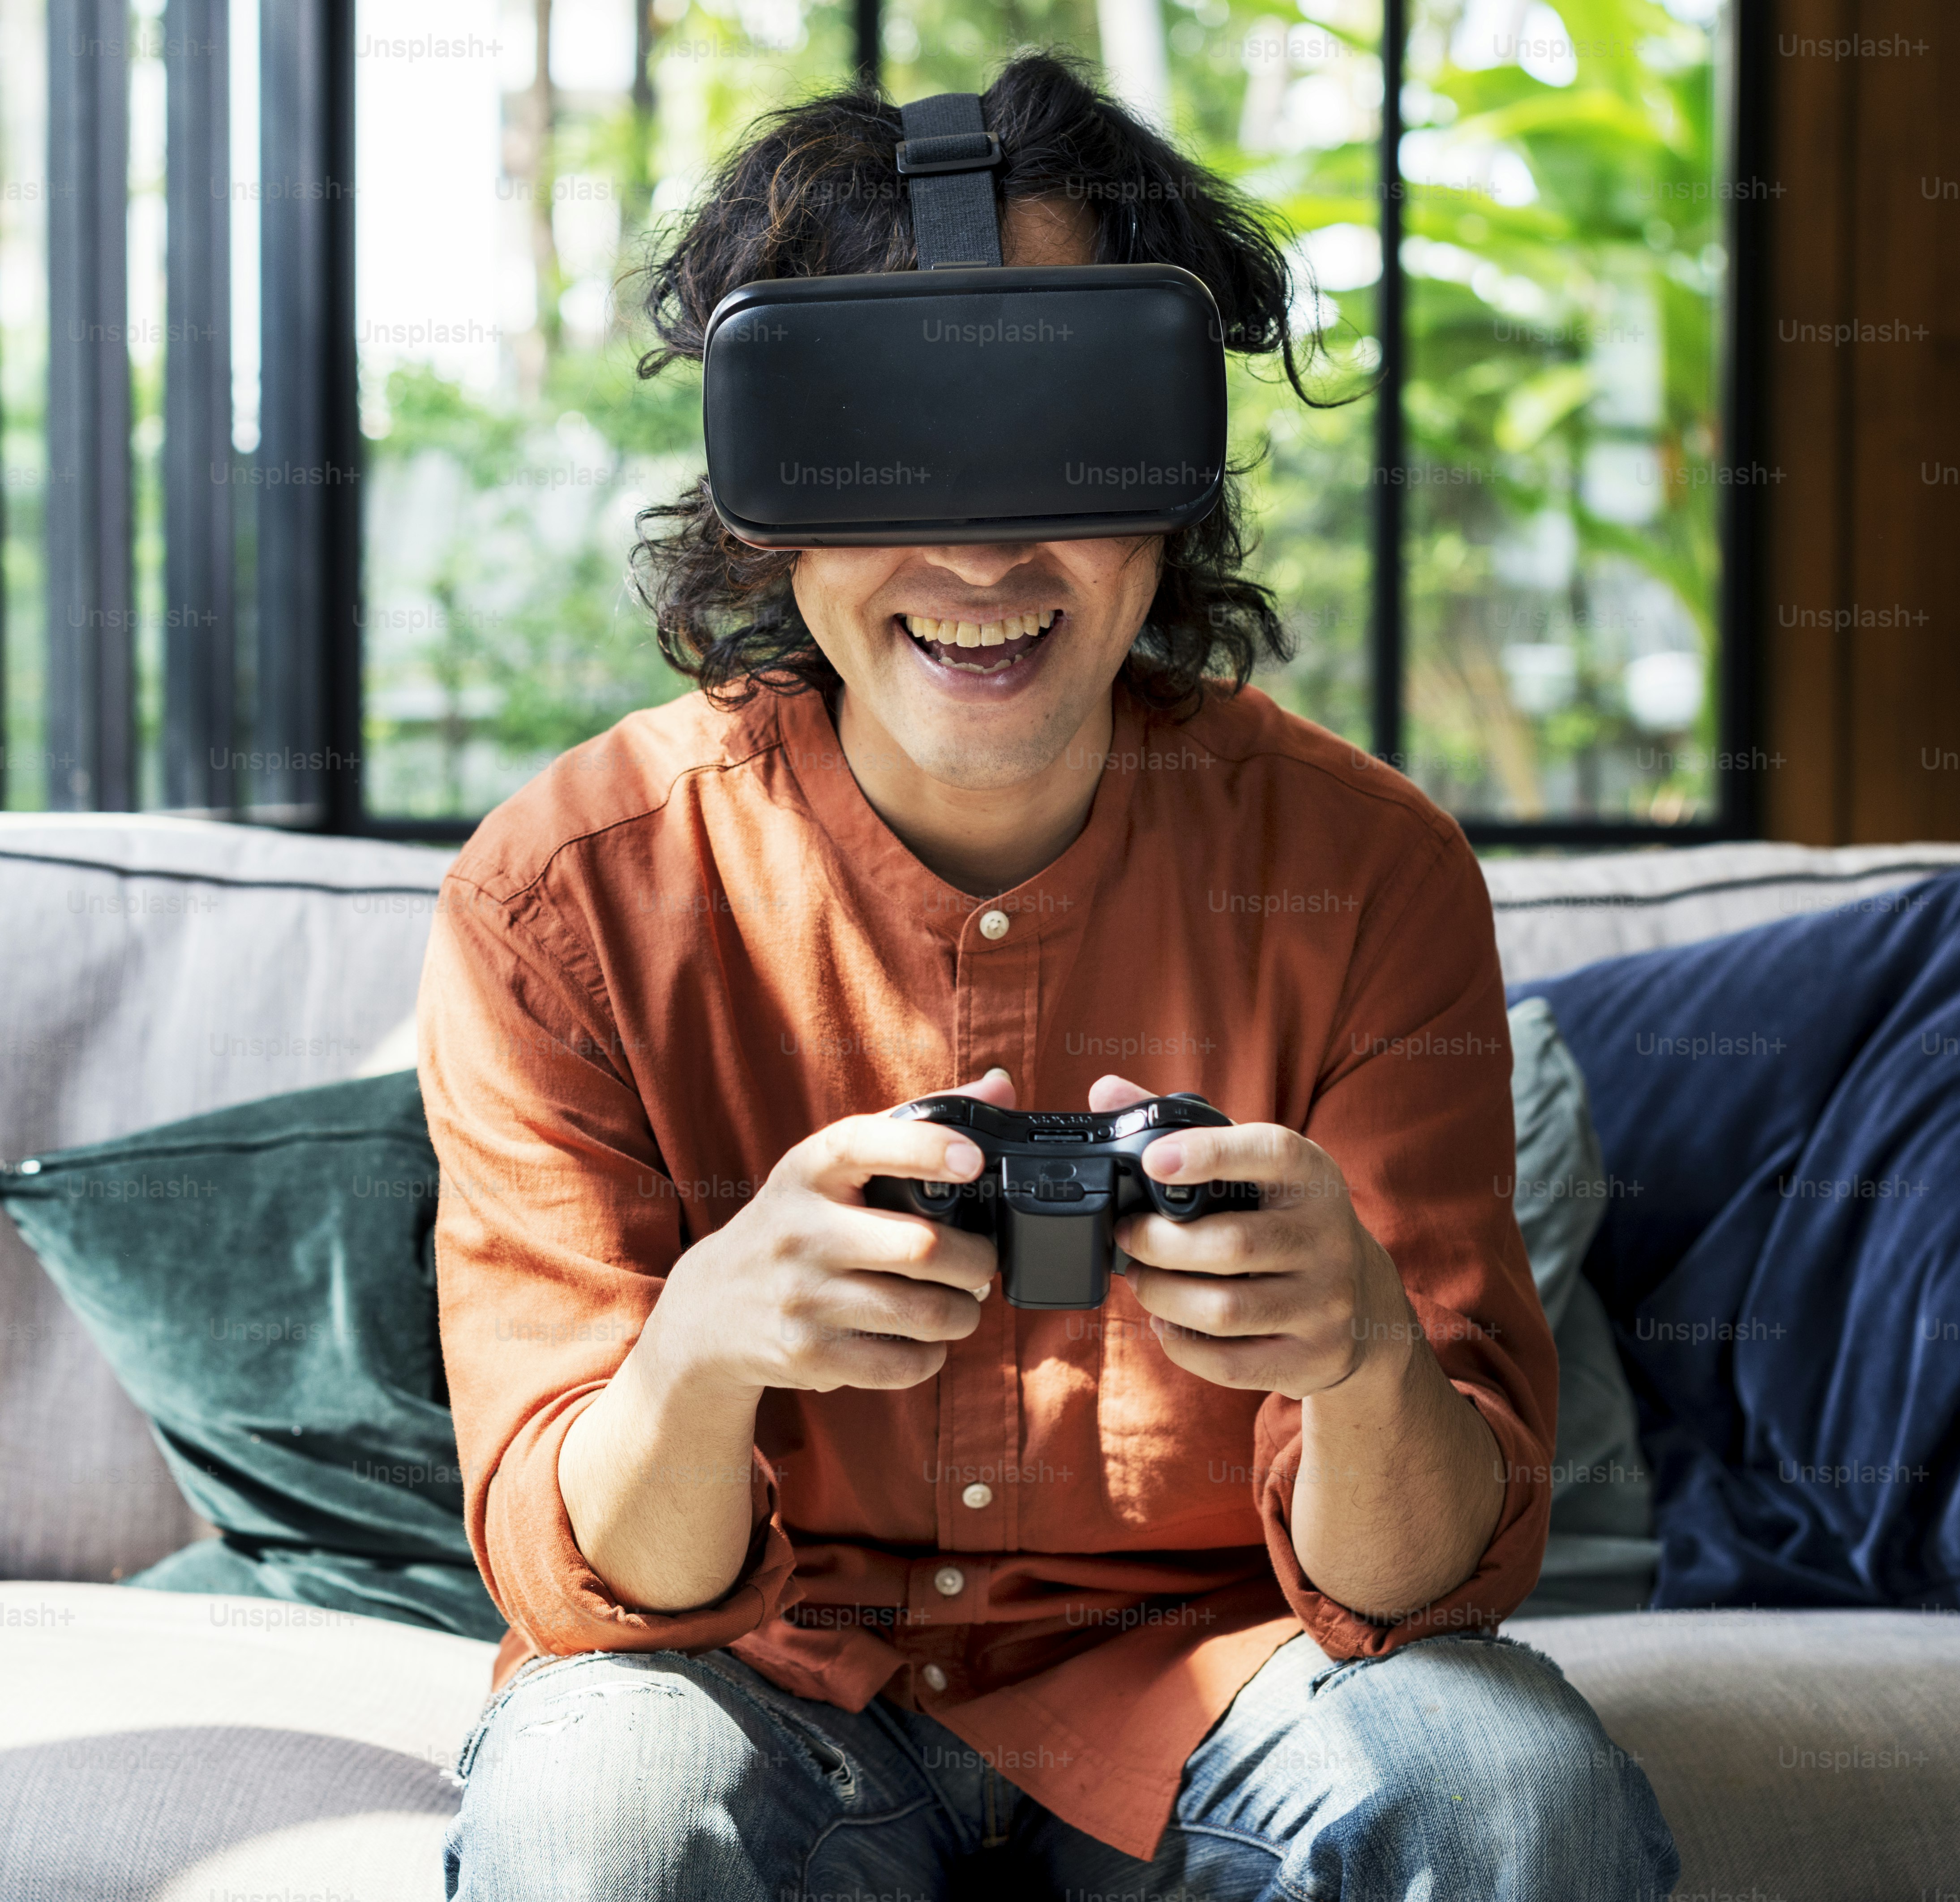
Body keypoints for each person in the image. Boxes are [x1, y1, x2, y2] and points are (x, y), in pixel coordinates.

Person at [421, 52, 1679, 1902]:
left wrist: (1360, 1356)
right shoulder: (565, 898)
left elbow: (1436, 1585)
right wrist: (699, 1352)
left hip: (1226, 1686)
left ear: (1169, 483)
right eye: (894, 457)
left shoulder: (1366, 875)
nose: (983, 552)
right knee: (595, 1802)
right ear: (772, 496)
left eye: (1059, 447)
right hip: (761, 1682)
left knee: (1496, 1785)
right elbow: (577, 1583)